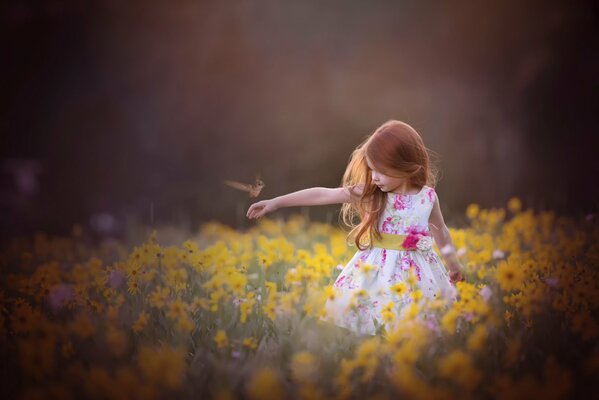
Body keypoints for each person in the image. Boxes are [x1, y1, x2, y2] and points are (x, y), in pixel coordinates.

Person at [246, 120, 465, 336]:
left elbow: (441, 232)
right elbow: (324, 193)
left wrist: (453, 266)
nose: (375, 177)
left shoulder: (427, 197)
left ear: (405, 165)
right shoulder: (372, 193)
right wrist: (275, 202)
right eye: (372, 170)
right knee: (375, 324)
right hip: (377, 273)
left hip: (418, 275)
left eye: (381, 171)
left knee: (417, 327)